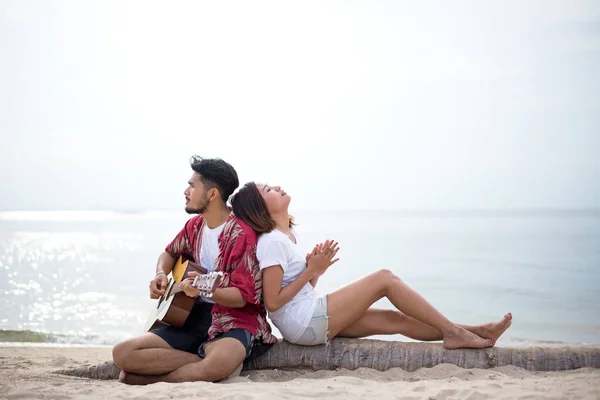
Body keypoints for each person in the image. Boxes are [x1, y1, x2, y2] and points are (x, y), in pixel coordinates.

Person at [230, 182, 512, 349]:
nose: (277, 187)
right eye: (268, 189)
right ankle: (455, 333)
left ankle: (476, 331)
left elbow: (300, 290)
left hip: (308, 316)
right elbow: (274, 302)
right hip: (303, 324)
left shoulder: (288, 236)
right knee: (384, 279)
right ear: (261, 207)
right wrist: (311, 271)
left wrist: (316, 273)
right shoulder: (271, 243)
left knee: (394, 320)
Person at [112, 158, 276, 385]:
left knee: (219, 361)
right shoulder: (195, 226)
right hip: (192, 317)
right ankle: (203, 361)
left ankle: (177, 372)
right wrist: (160, 274)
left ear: (212, 194)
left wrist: (205, 290)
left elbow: (241, 298)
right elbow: (169, 253)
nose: (185, 191)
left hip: (235, 320)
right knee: (123, 352)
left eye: (192, 185)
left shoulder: (241, 235)